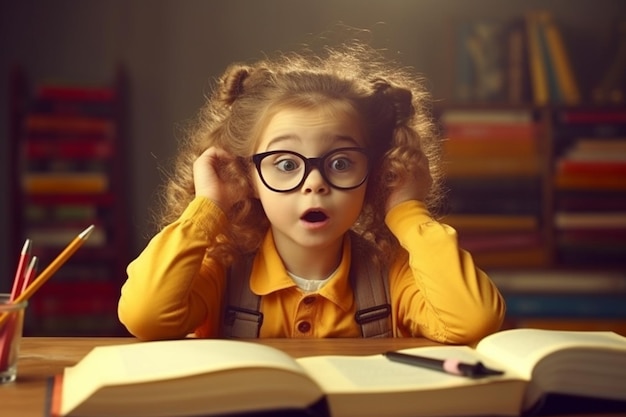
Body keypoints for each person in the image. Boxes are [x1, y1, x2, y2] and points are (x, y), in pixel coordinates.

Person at [118, 40, 505, 343]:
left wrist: (407, 210)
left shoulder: (393, 273)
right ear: (247, 176)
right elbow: (145, 315)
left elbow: (474, 320)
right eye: (286, 164)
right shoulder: (223, 268)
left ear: (375, 172)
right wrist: (207, 207)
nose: (314, 182)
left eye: (340, 163)